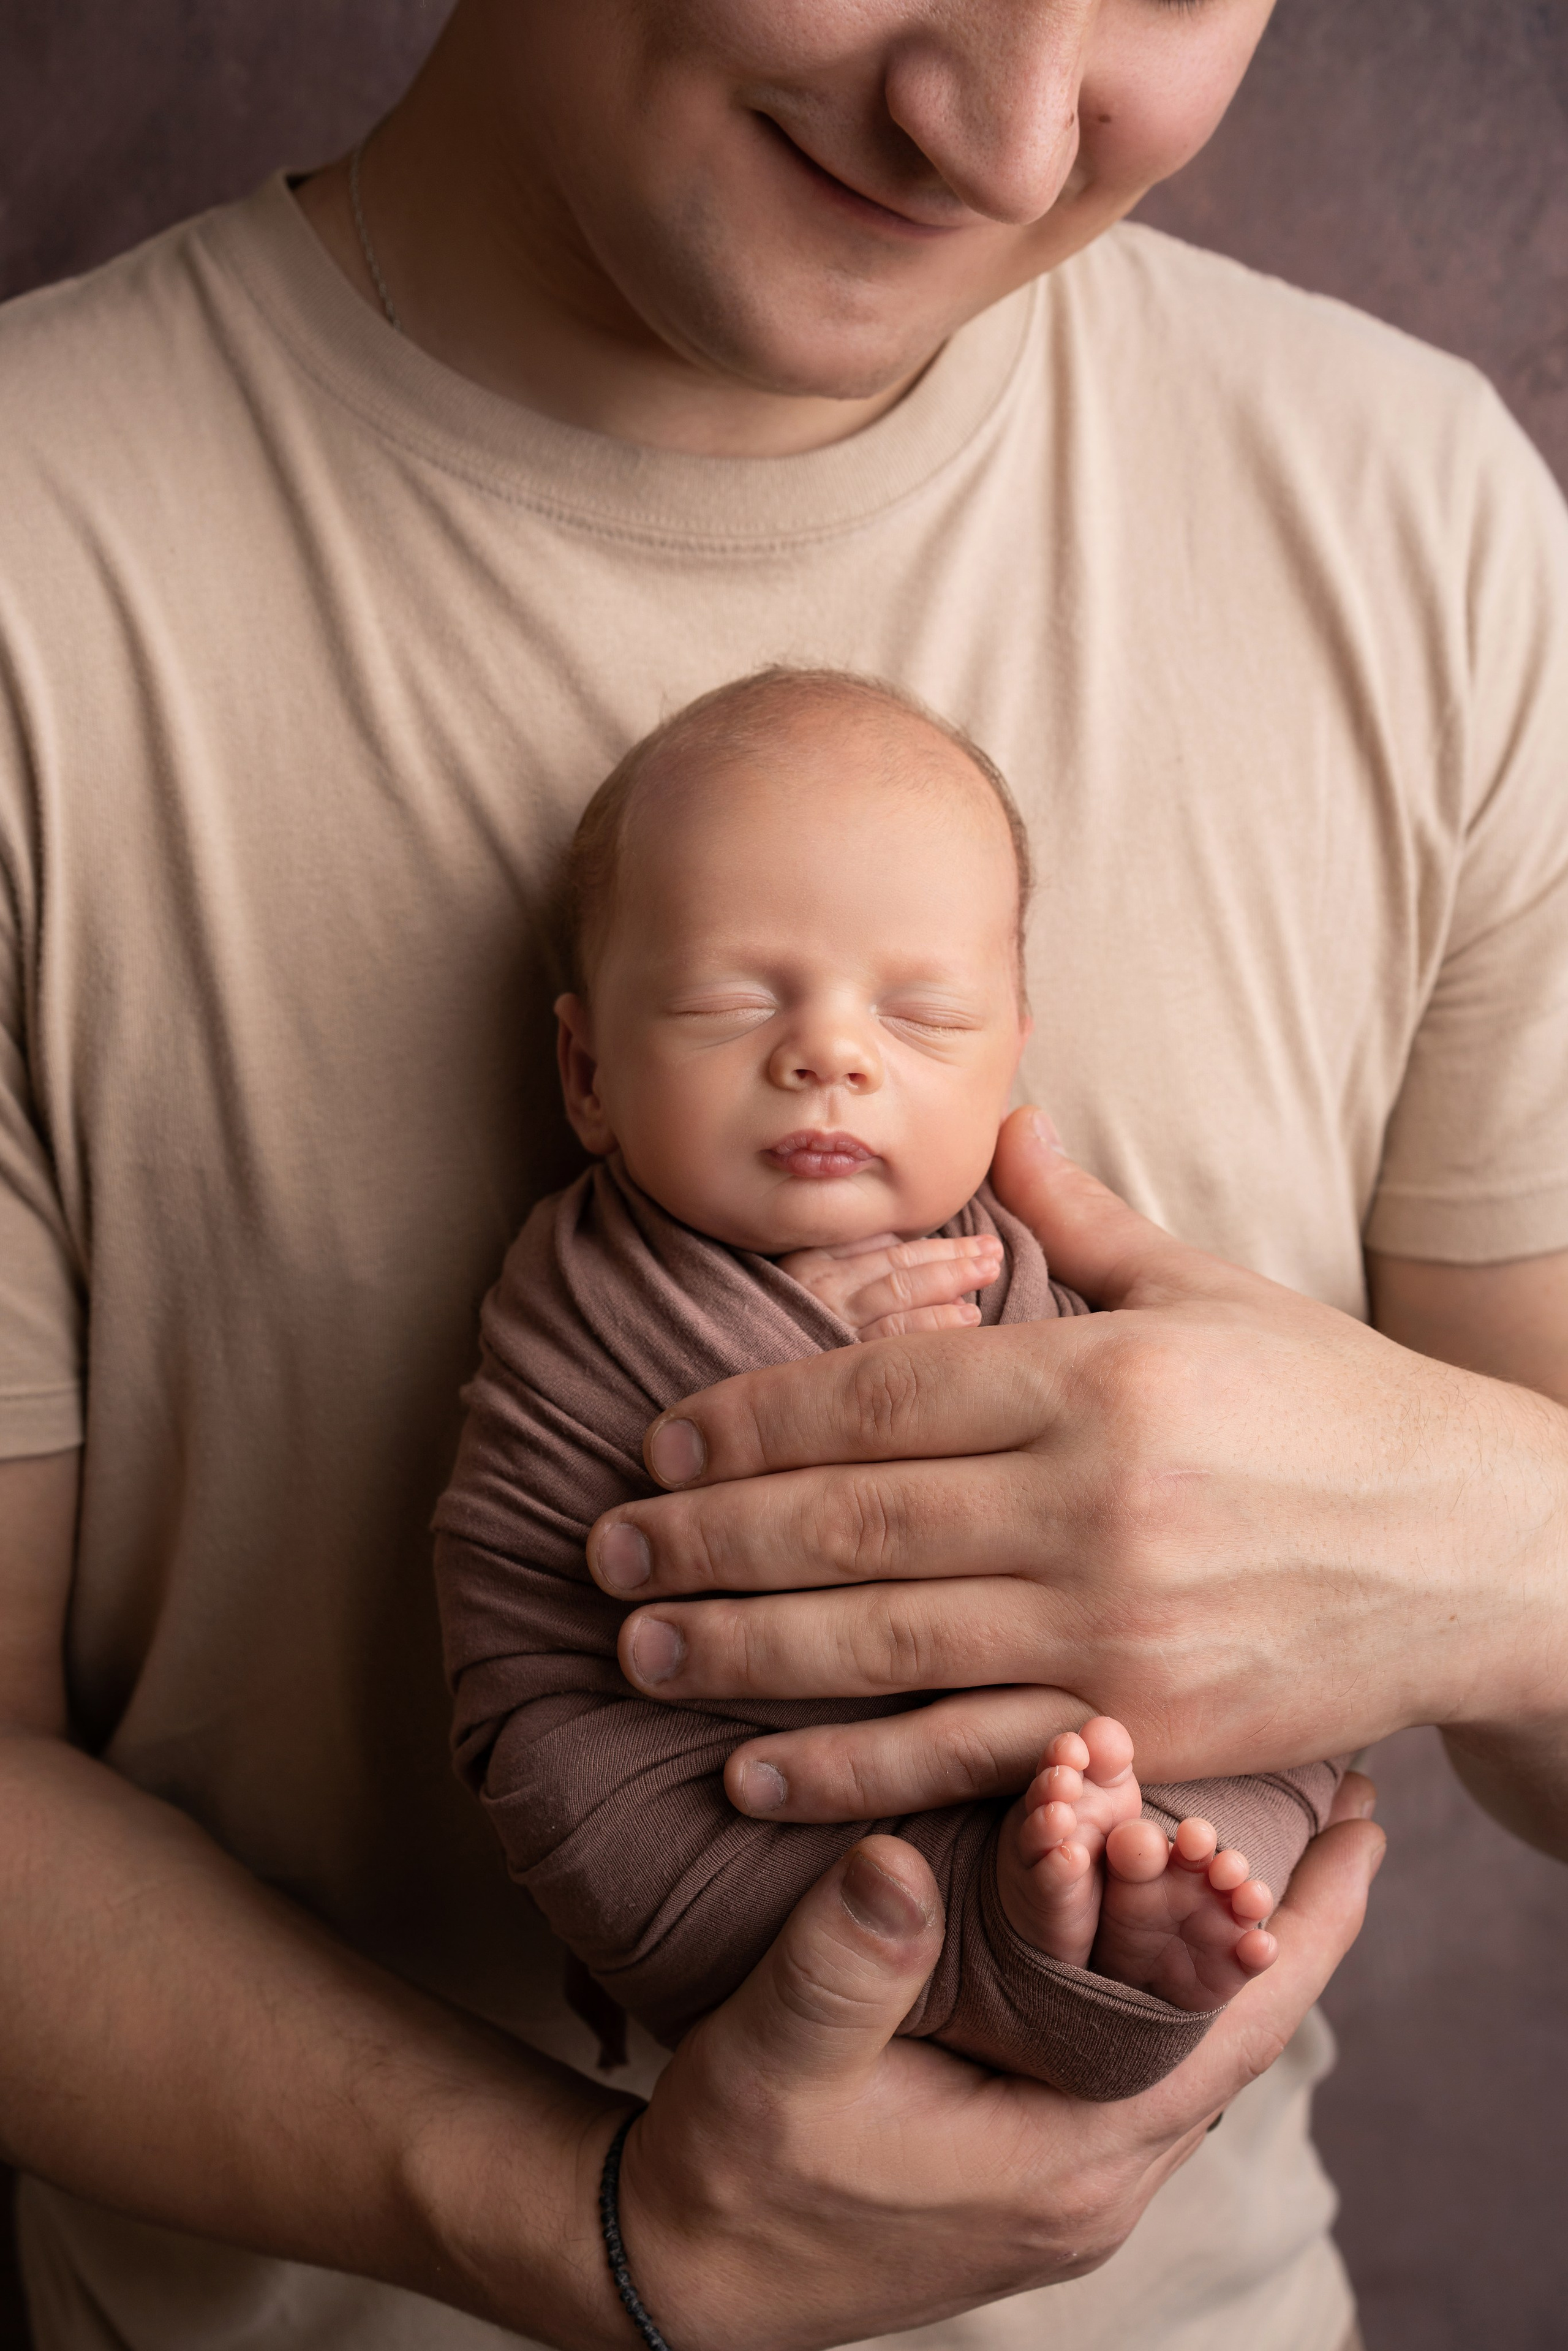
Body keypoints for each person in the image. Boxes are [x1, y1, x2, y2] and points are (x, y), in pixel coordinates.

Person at [0, 0, 1563, 2346]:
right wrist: (601, 2222)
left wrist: (1509, 1544)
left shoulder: (1423, 524)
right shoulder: (42, 551)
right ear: (587, 1067)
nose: (1006, 125)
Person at [433, 666, 1346, 2127]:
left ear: (1010, 1058)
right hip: (705, 1784)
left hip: (1066, 1739)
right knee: (579, 1798)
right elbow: (544, 1549)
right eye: (736, 1000)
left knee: (1276, 1712)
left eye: (920, 1016)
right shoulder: (581, 1280)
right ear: (587, 1070)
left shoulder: (1032, 1257)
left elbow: (1168, 1491)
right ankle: (1029, 1932)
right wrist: (781, 1362)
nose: (829, 1053)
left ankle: (1096, 1922)